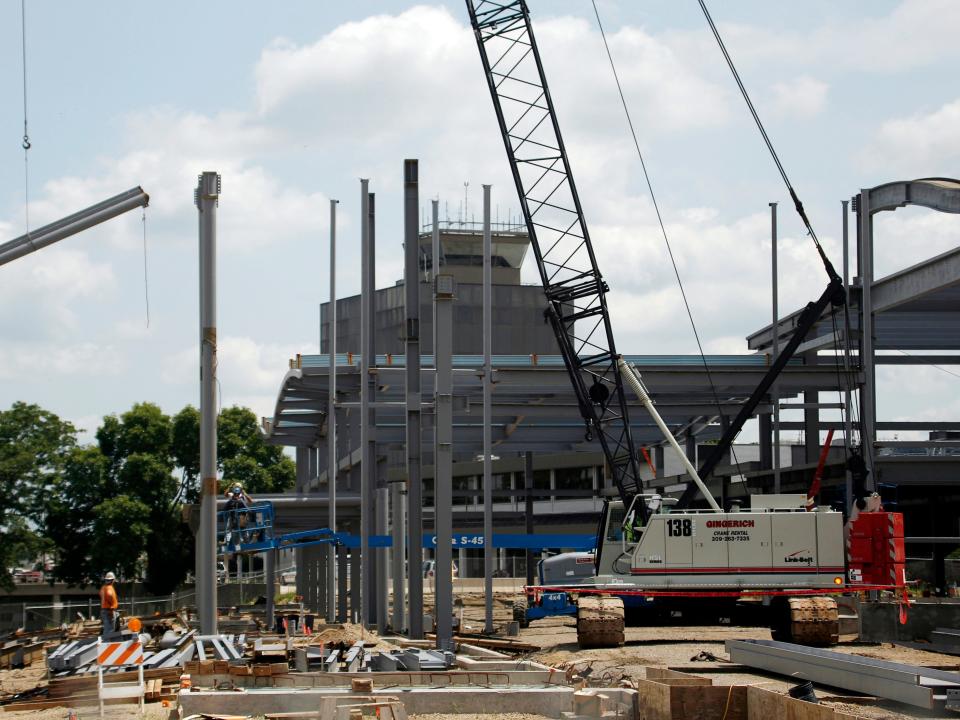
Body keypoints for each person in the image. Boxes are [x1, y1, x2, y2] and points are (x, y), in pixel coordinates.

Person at [99, 572, 119, 637]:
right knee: (110, 629)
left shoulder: (103, 587)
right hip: (109, 610)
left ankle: (106, 641)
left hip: (104, 610)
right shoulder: (109, 588)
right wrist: (112, 606)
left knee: (107, 628)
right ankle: (107, 643)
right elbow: (109, 594)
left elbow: (101, 594)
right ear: (112, 580)